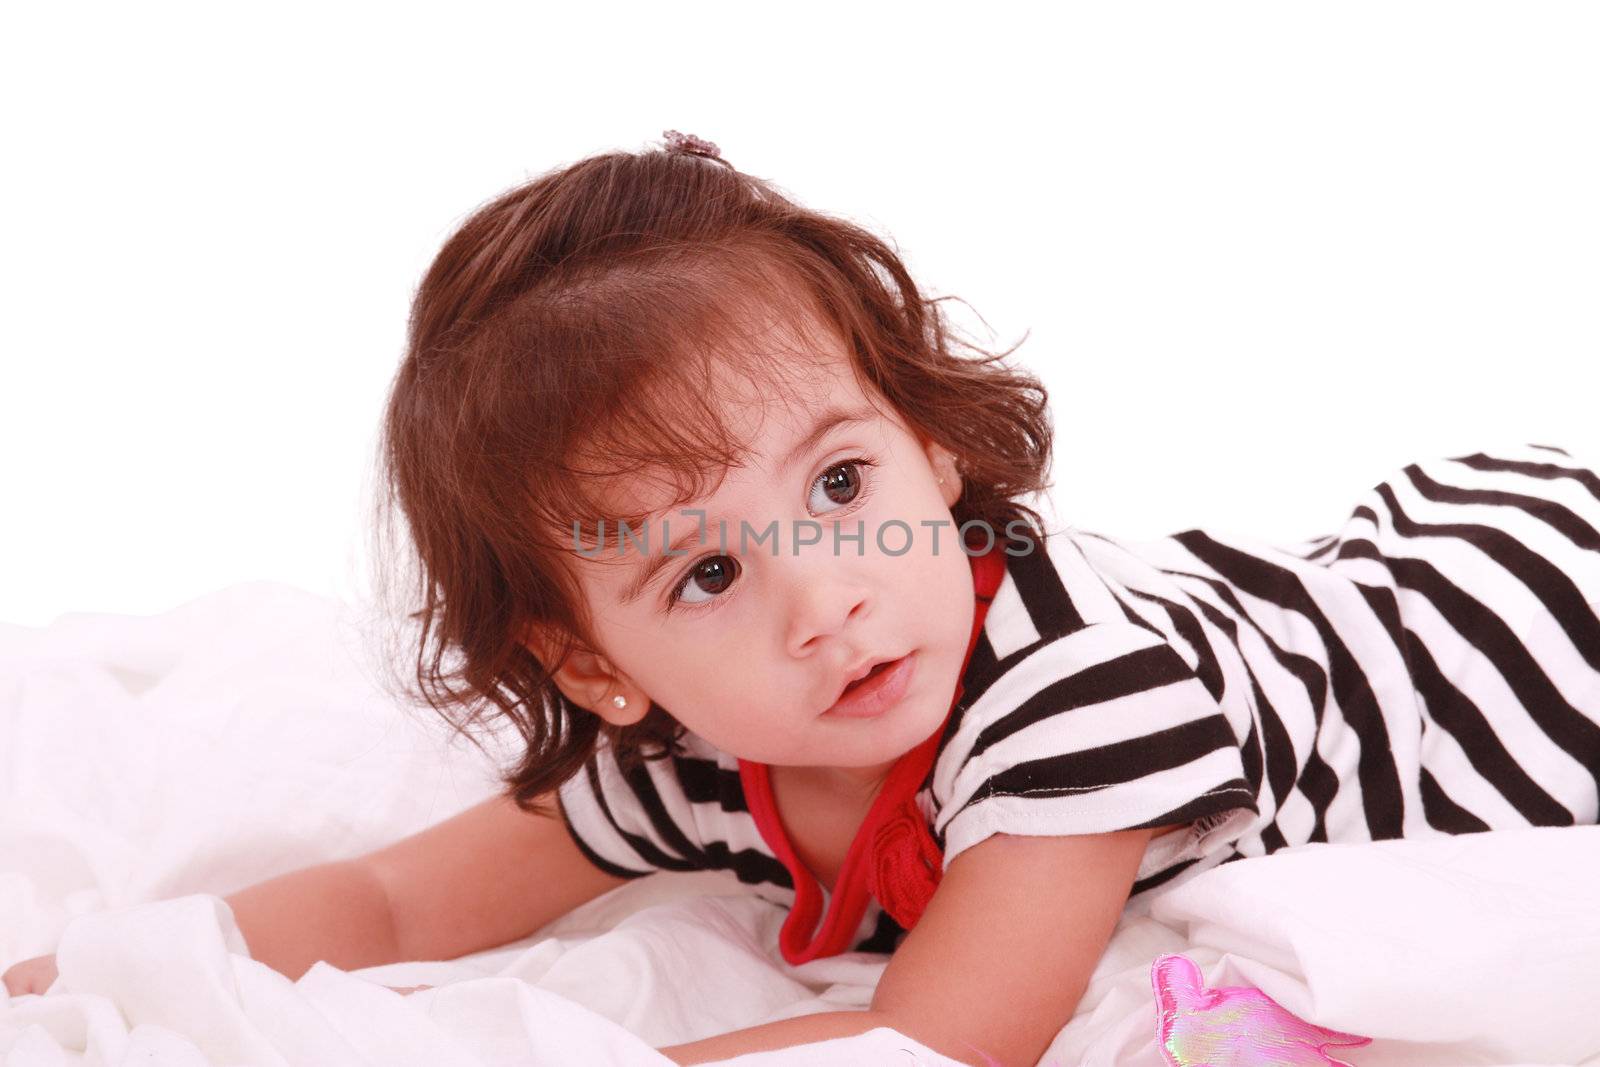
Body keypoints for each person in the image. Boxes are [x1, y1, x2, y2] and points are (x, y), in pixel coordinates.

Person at [7, 130, 1600, 1067]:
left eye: (840, 489)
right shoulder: (684, 751)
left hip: (1523, 638)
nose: (828, 600)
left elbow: (935, 1040)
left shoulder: (1073, 703)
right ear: (597, 663)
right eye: (706, 571)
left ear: (924, 440)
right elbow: (395, 905)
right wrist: (77, 973)